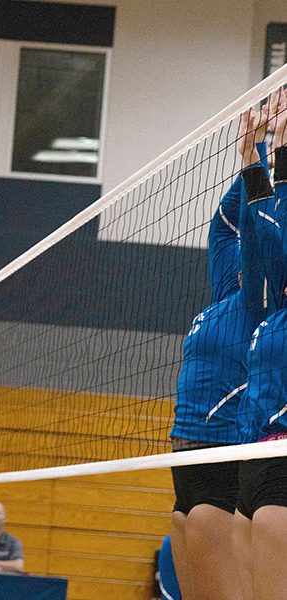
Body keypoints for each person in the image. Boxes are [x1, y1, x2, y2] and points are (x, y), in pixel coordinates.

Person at [166, 100, 271, 600]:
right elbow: (224, 223)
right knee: (185, 532)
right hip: (184, 453)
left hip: (225, 449)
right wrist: (251, 147)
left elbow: (255, 222)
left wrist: (266, 160)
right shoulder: (224, 298)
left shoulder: (259, 302)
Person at [233, 89, 287, 600]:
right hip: (253, 456)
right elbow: (258, 232)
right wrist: (255, 153)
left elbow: (271, 223)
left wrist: (272, 146)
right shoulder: (273, 314)